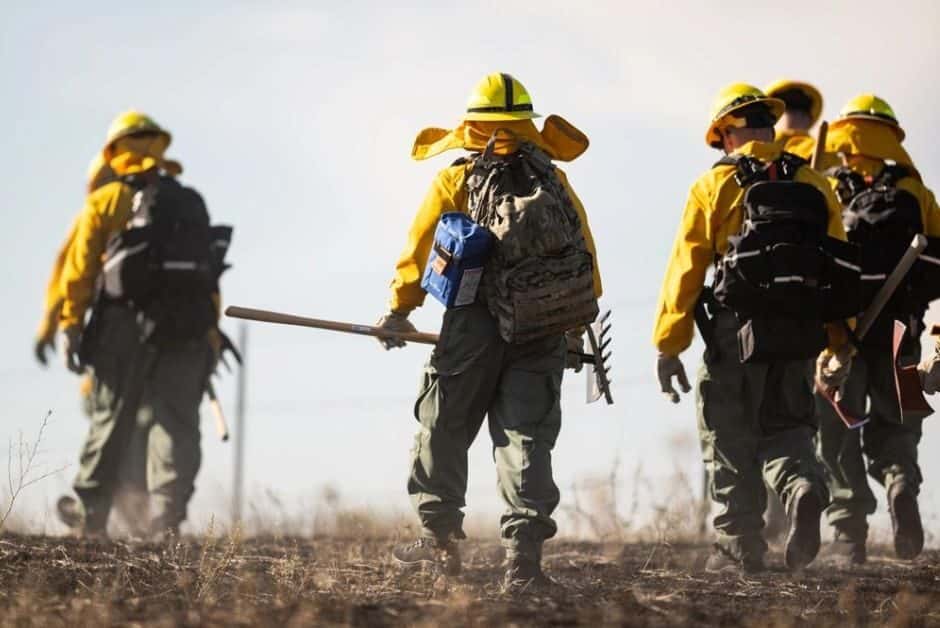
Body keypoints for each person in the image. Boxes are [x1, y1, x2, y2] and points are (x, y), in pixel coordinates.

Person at [377, 73, 602, 589]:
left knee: (444, 427)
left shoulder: (455, 179)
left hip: (471, 325)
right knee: (526, 438)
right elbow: (585, 256)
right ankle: (523, 562)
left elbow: (419, 254)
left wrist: (398, 310)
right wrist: (573, 327)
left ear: (472, 124)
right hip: (543, 324)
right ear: (527, 121)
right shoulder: (554, 181)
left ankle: (439, 544)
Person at [653, 83, 854, 573]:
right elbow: (838, 267)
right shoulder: (813, 183)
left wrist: (669, 345)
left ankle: (739, 546)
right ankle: (803, 485)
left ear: (728, 135)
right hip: (799, 333)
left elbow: (686, 270)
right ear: (769, 128)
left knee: (729, 437)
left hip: (734, 333)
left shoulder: (712, 186)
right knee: (788, 430)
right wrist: (839, 341)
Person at [55, 110, 229, 539]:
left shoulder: (106, 201)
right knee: (177, 422)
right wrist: (210, 334)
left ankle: (90, 517)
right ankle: (165, 521)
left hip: (122, 326)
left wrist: (70, 324)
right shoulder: (190, 200)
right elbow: (207, 276)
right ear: (160, 147)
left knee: (110, 420)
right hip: (185, 326)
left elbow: (77, 272)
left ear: (115, 151)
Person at [816, 94, 940, 564]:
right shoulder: (915, 192)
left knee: (840, 433)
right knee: (898, 426)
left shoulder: (828, 187)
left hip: (840, 337)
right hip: (900, 333)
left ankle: (849, 537)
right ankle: (901, 483)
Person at [765, 79, 824, 160]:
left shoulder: (822, 152)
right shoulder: (824, 151)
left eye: (800, 113)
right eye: (789, 111)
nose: (794, 117)